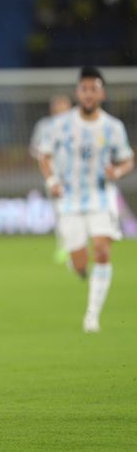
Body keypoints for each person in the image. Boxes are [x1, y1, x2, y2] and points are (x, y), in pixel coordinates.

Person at [38, 66, 134, 333]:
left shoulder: (113, 127)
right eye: (84, 89)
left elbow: (128, 159)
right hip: (69, 199)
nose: (89, 94)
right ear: (78, 92)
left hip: (100, 197)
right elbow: (43, 155)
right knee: (81, 265)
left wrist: (117, 171)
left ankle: (92, 316)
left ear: (102, 94)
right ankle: (76, 261)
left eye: (94, 89)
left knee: (102, 250)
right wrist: (52, 181)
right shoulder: (60, 125)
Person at [29, 94, 73, 266]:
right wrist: (46, 158)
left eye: (63, 105)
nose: (60, 108)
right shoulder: (44, 126)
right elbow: (35, 149)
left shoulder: (79, 125)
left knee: (77, 213)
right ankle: (63, 247)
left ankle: (76, 246)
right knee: (61, 213)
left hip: (77, 177)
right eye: (57, 105)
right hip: (53, 176)